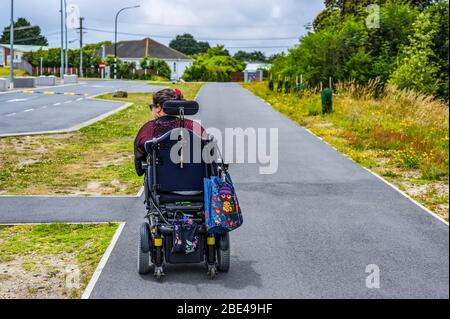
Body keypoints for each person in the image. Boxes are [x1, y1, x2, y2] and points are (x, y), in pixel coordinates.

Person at [134, 88, 204, 176]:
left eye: (152, 106)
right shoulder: (194, 127)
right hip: (195, 183)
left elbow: (139, 163)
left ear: (158, 108)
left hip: (159, 183)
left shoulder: (148, 129)